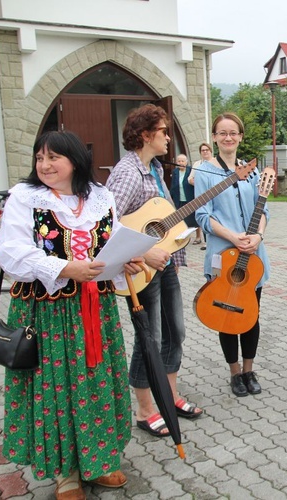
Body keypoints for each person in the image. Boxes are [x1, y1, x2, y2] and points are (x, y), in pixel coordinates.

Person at [0, 131, 144, 500]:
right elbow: (9, 252)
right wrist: (64, 268)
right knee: (57, 386)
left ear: (74, 160)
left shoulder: (99, 196)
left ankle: (99, 459)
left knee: (97, 382)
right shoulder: (25, 198)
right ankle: (67, 473)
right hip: (48, 312)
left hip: (97, 308)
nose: (44, 165)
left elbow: (113, 237)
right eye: (39, 158)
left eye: (52, 158)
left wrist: (129, 256)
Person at [106, 104, 203, 438]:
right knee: (150, 339)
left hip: (167, 265)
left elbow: (159, 217)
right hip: (142, 271)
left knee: (176, 334)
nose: (168, 138)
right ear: (146, 134)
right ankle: (146, 410)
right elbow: (106, 225)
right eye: (164, 132)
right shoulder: (127, 173)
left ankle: (170, 397)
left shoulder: (157, 171)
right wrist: (145, 252)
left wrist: (179, 236)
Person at [195, 112, 270, 397]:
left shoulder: (250, 170)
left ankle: (250, 369)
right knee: (225, 316)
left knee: (251, 315)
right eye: (222, 133)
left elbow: (263, 208)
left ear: (240, 136)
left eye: (233, 133)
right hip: (222, 253)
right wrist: (232, 236)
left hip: (253, 255)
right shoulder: (204, 171)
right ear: (214, 137)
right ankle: (235, 372)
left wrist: (257, 236)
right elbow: (202, 215)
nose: (228, 138)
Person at [169, 153, 201, 244]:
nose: (181, 163)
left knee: (194, 217)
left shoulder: (190, 170)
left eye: (182, 161)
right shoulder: (175, 172)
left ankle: (198, 237)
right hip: (179, 197)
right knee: (181, 219)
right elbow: (173, 185)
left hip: (190, 196)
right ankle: (183, 237)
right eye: (179, 161)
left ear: (186, 162)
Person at [189, 143, 214, 246]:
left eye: (207, 150)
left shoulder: (215, 163)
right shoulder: (197, 164)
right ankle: (206, 242)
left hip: (214, 195)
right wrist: (200, 184)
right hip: (202, 197)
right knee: (204, 217)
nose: (205, 152)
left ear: (211, 151)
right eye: (203, 150)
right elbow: (190, 179)